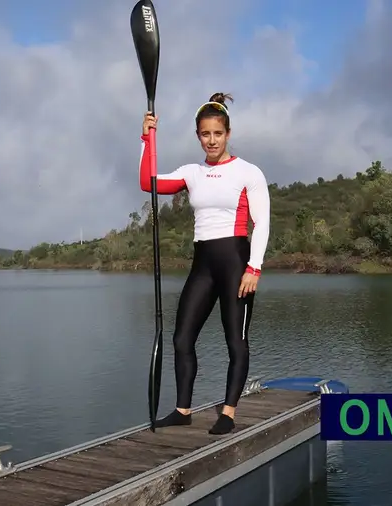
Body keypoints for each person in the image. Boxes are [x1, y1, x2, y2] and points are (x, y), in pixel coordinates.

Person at [139, 92, 270, 435]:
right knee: (182, 339)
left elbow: (262, 223)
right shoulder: (191, 173)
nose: (211, 141)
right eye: (204, 134)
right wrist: (147, 138)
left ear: (228, 133)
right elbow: (147, 183)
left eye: (217, 134)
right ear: (198, 136)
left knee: (235, 342)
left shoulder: (248, 172)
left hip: (235, 263)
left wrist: (254, 268)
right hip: (203, 264)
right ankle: (183, 409)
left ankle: (227, 413)